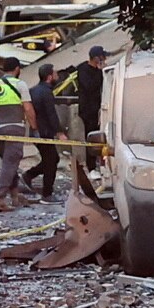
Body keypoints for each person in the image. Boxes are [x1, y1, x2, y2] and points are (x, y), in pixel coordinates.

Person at [0, 55, 30, 205]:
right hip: (15, 128)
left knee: (10, 162)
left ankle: (15, 196)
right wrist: (34, 125)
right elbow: (28, 108)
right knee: (10, 163)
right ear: (17, 69)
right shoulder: (20, 85)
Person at [69, 46, 112, 198]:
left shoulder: (98, 71)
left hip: (100, 108)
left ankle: (102, 165)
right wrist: (100, 72)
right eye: (101, 57)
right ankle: (91, 166)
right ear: (96, 58)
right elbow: (91, 86)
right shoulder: (84, 70)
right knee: (91, 136)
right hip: (89, 110)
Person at [23, 62, 69, 202]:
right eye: (55, 73)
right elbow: (51, 114)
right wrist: (59, 132)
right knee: (51, 162)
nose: (57, 76)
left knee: (52, 159)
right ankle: (47, 194)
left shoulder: (33, 90)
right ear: (49, 77)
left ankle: (29, 175)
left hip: (36, 131)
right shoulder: (46, 92)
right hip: (44, 132)